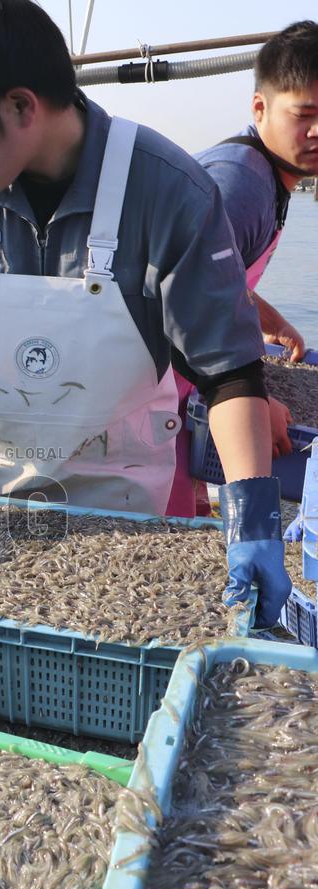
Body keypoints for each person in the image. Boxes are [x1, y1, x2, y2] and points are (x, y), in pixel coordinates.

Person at [0, 0, 292, 627]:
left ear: (22, 107)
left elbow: (230, 373)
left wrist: (253, 516)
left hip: (122, 510)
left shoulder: (168, 190)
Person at [168, 20, 318, 517]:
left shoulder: (272, 176)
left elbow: (217, 278)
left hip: (185, 392)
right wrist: (250, 402)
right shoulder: (241, 186)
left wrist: (269, 319)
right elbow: (175, 298)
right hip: (153, 398)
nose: (317, 132)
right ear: (260, 107)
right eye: (305, 115)